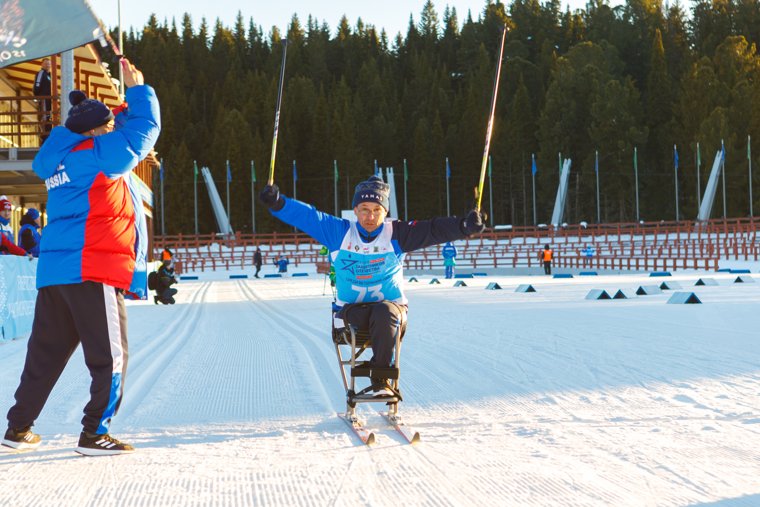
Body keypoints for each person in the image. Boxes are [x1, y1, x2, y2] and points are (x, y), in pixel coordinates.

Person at [3, 58, 160, 456]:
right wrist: (139, 91)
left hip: (58, 272)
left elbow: (115, 128)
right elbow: (144, 131)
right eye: (105, 126)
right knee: (111, 357)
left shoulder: (63, 153)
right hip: (93, 269)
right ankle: (95, 432)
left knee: (45, 355)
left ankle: (18, 427)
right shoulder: (97, 155)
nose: (111, 129)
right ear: (94, 131)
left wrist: (114, 110)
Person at [259, 175, 485, 396]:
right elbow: (308, 217)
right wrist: (279, 203)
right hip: (351, 314)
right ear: (355, 210)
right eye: (364, 209)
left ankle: (380, 377)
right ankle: (375, 372)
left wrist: (464, 225)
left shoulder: (396, 234)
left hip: (391, 313)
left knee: (384, 312)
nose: (370, 216)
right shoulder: (339, 232)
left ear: (385, 212)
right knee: (374, 315)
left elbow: (433, 230)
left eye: (377, 210)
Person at [33, 58, 52, 143]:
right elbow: (37, 86)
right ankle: (44, 137)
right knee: (44, 117)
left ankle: (48, 136)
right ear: (42, 64)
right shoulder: (41, 73)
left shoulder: (49, 75)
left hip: (49, 100)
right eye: (46, 63)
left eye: (49, 64)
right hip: (43, 99)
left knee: (48, 116)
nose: (47, 65)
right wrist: (38, 97)